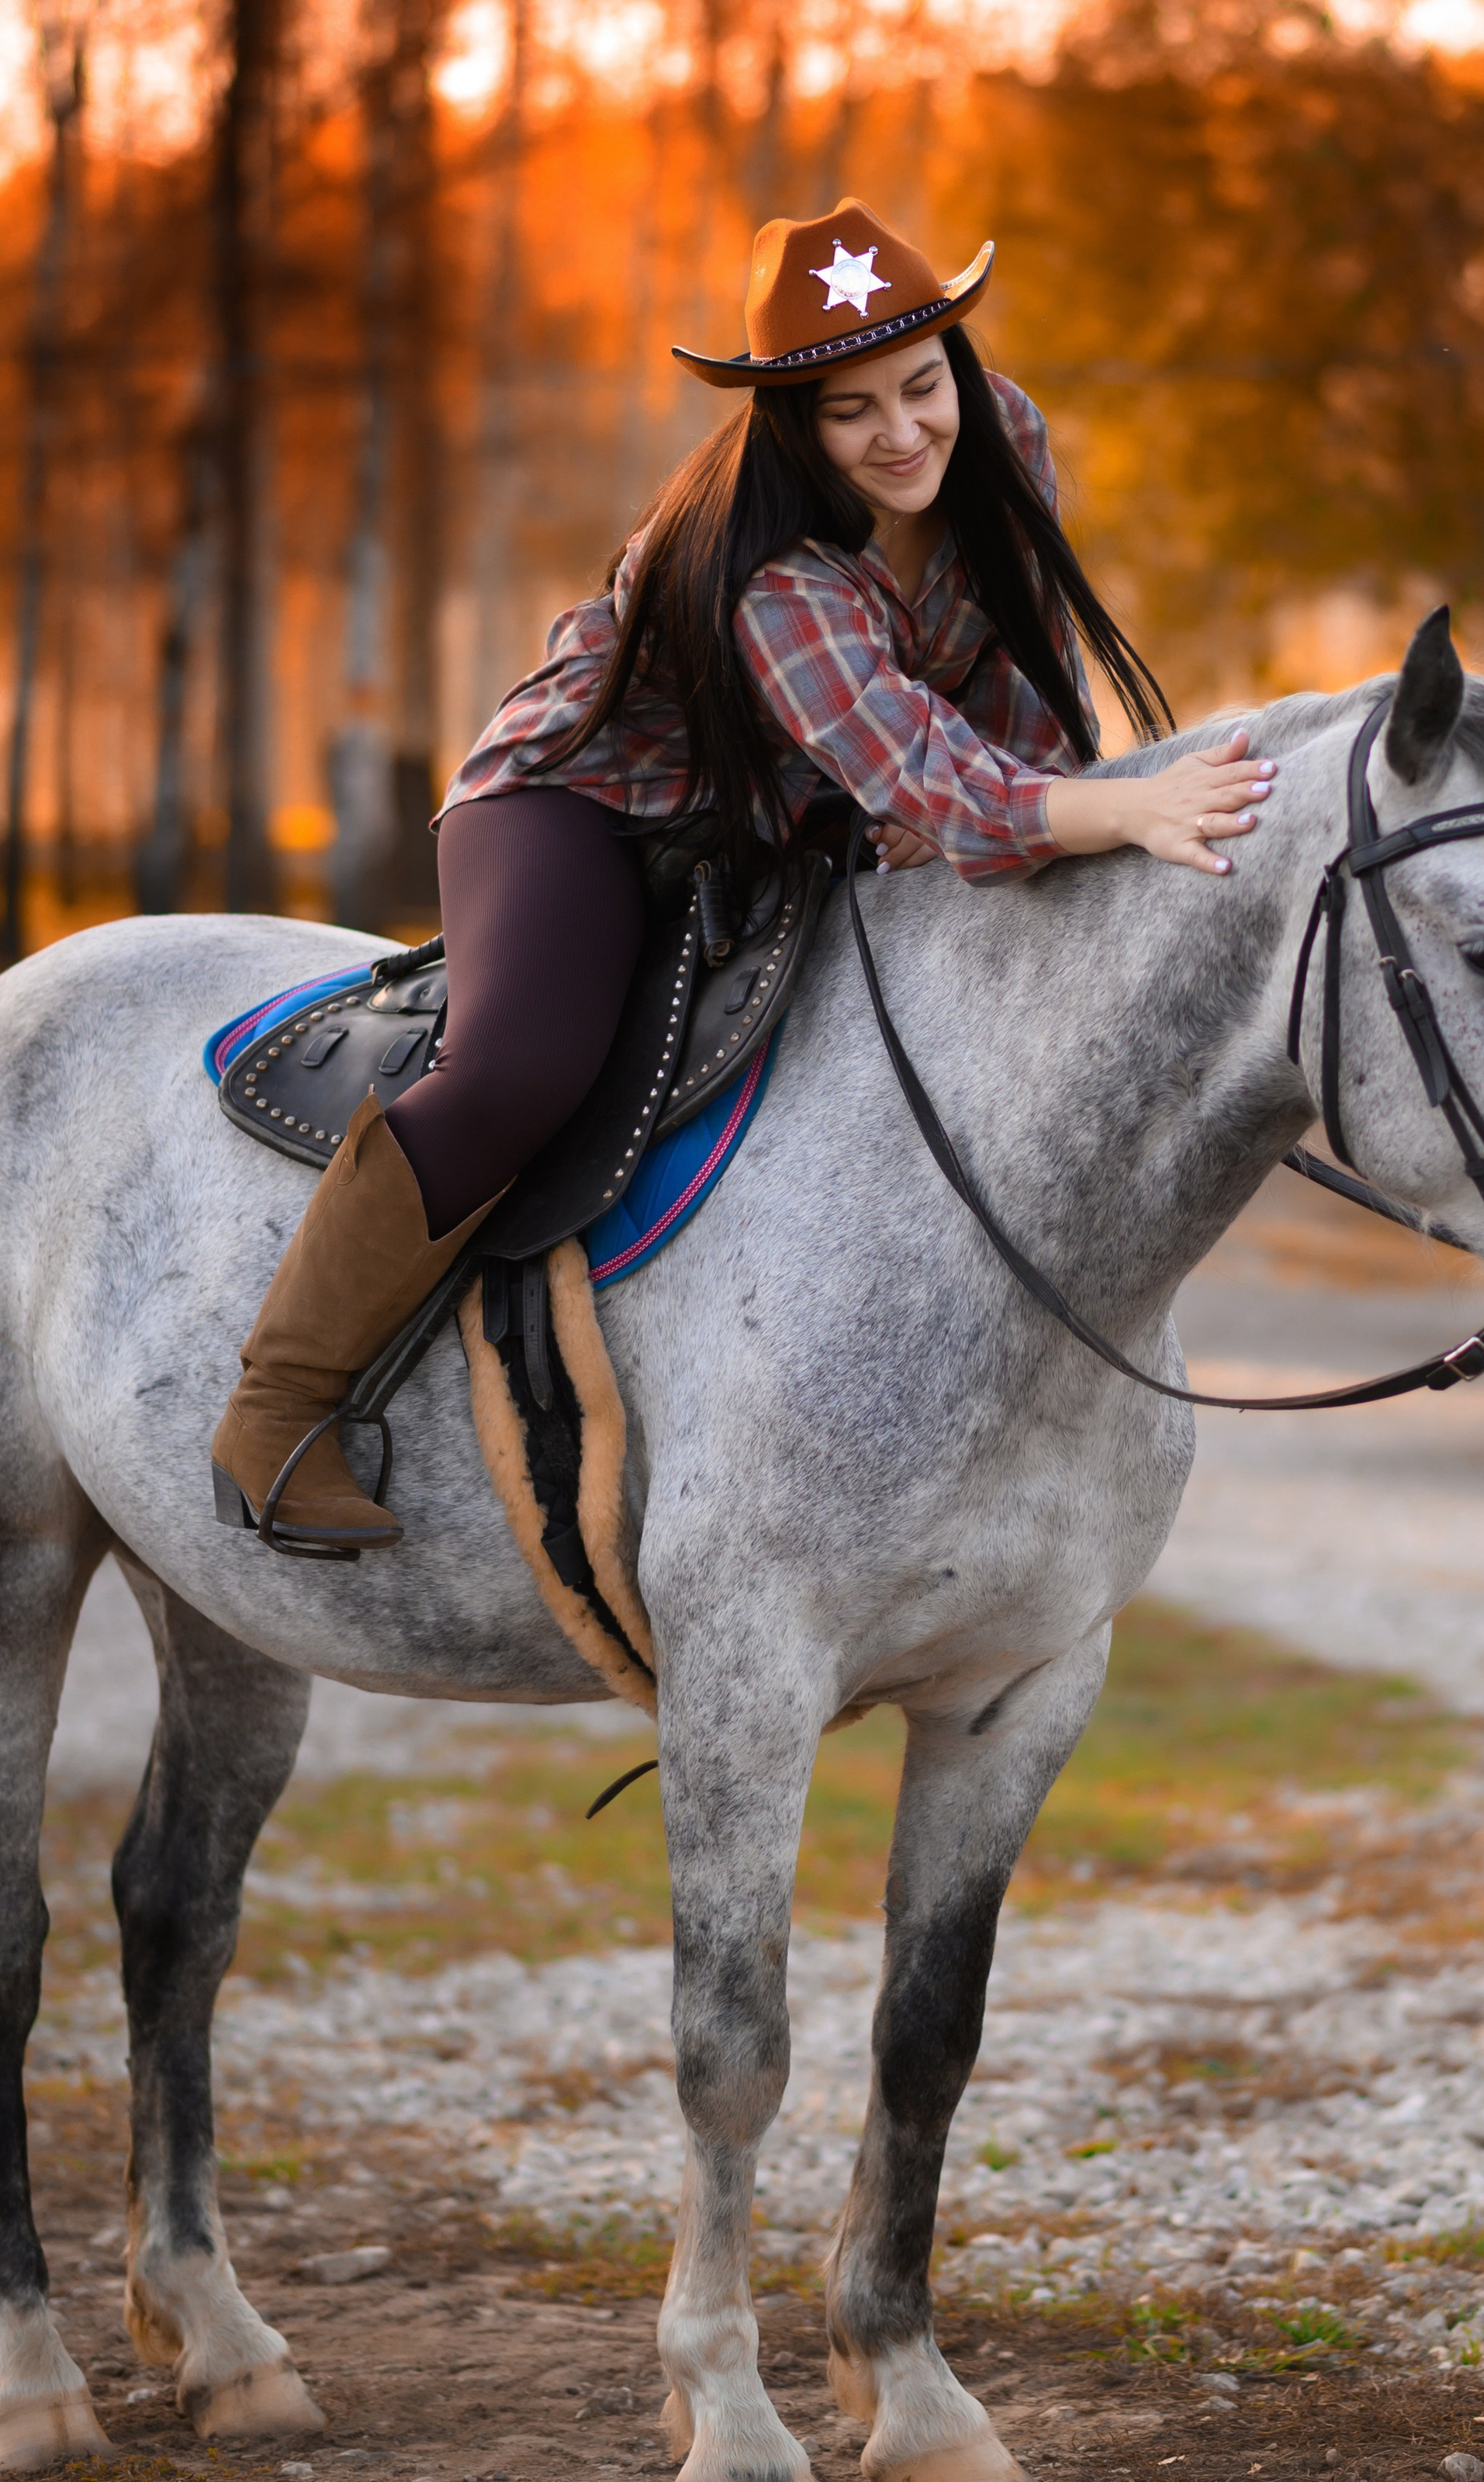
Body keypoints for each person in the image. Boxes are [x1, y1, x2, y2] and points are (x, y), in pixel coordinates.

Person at [212, 200, 1280, 1556]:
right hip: (586, 803)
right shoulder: (768, 572)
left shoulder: (1002, 429)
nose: (904, 433)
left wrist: (1045, 804)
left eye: (920, 384)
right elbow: (940, 785)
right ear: (792, 423)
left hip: (789, 813)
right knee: (521, 1068)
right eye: (851, 412)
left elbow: (1026, 676)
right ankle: (279, 1402)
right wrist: (1104, 809)